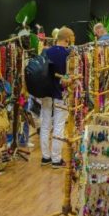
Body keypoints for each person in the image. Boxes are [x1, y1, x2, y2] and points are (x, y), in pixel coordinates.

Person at [40, 26, 75, 168]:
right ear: (67, 39)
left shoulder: (46, 51)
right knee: (59, 125)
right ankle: (56, 159)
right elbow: (69, 76)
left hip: (45, 93)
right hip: (60, 93)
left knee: (45, 124)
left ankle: (45, 157)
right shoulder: (68, 54)